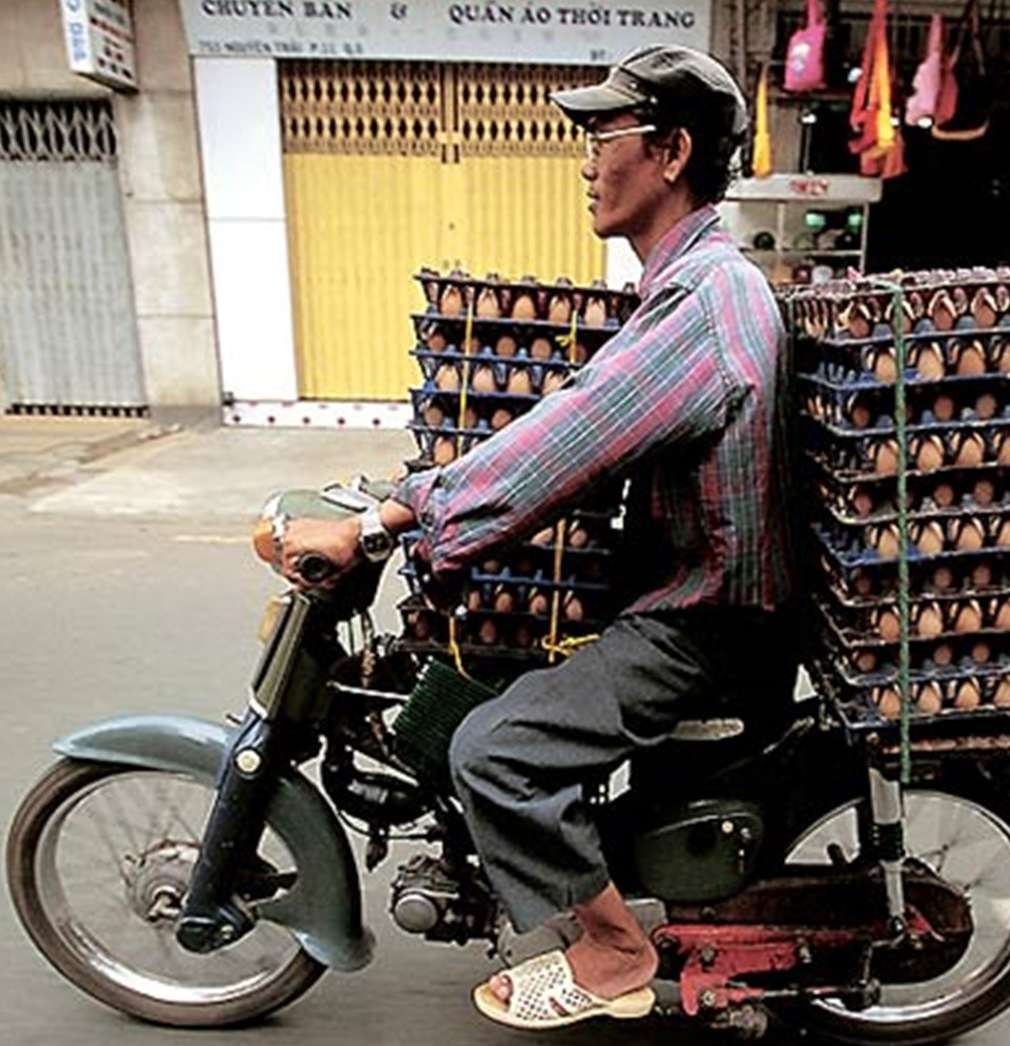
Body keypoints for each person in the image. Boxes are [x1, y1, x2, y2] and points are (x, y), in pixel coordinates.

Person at [281, 46, 794, 1030]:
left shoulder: (706, 302)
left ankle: (611, 945)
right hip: (688, 589)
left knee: (494, 748)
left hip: (701, 617)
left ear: (672, 151)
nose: (587, 161)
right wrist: (433, 503)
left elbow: (565, 440)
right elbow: (586, 435)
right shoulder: (686, 287)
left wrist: (388, 516)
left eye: (604, 137)